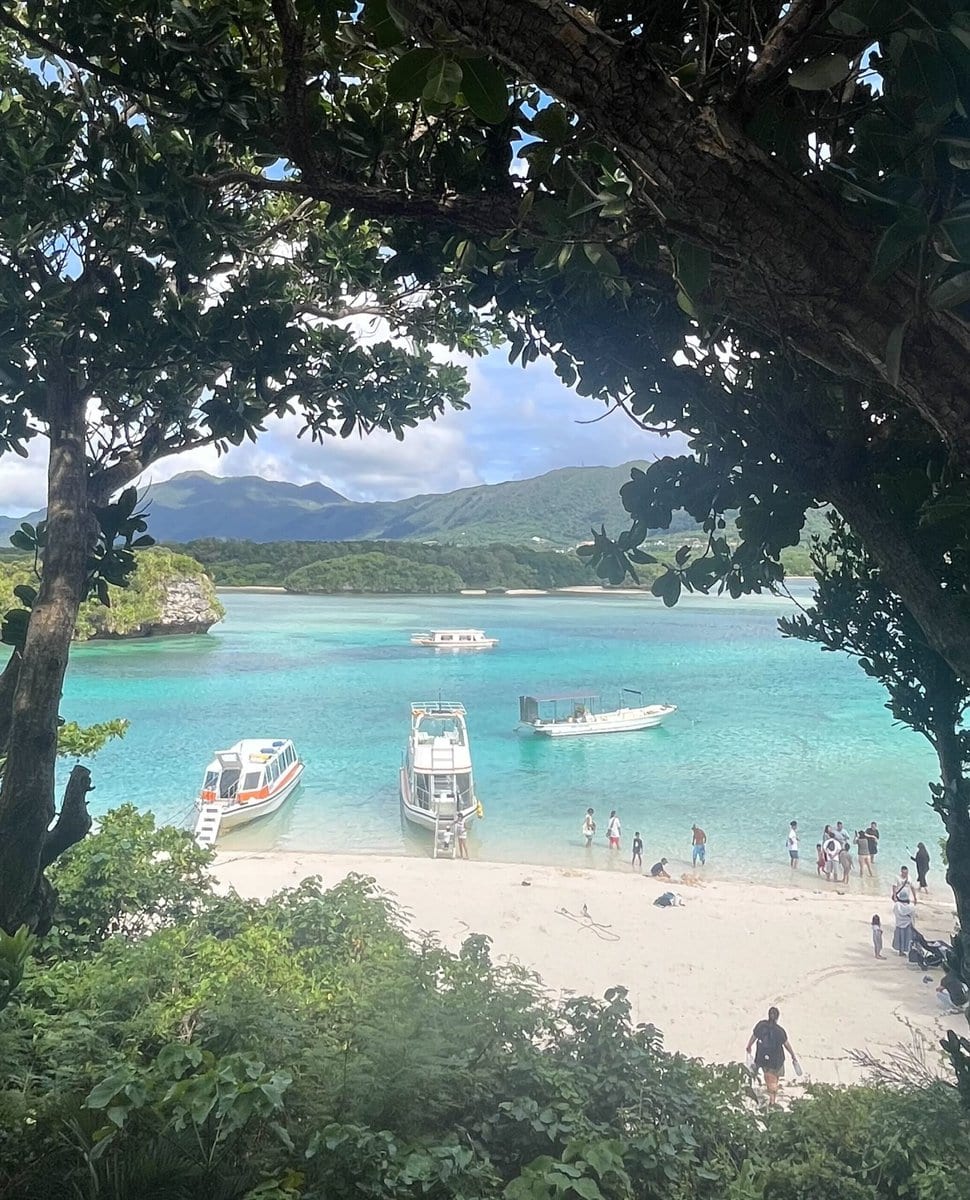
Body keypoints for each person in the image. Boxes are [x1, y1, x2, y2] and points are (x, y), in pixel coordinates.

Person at [746, 1007, 800, 1107]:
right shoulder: (780, 1031)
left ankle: (772, 1095)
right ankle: (772, 1101)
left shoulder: (761, 1025)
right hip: (776, 1059)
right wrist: (793, 1055)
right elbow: (786, 1044)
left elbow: (754, 1036)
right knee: (774, 1079)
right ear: (777, 1017)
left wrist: (749, 1045)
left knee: (768, 1076)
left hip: (762, 1057)